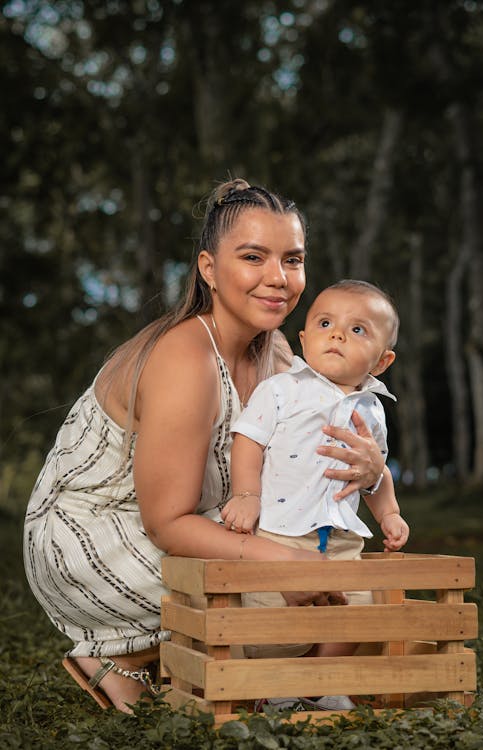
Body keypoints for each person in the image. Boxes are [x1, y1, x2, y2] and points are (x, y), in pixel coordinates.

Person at [23, 180, 386, 713]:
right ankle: (124, 654)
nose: (278, 278)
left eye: (293, 259)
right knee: (267, 578)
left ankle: (224, 662)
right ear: (209, 269)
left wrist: (373, 468)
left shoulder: (281, 354)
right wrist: (285, 564)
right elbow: (166, 523)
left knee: (314, 565)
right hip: (95, 531)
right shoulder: (186, 359)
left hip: (205, 515)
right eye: (253, 257)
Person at [221, 280, 409, 704]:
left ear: (382, 361)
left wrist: (388, 512)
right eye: (326, 323)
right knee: (272, 615)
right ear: (304, 340)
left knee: (356, 611)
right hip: (280, 530)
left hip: (341, 536)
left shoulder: (373, 409)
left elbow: (374, 471)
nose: (338, 334)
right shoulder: (282, 389)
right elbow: (248, 440)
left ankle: (324, 682)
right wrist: (247, 495)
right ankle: (275, 683)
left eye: (358, 330)